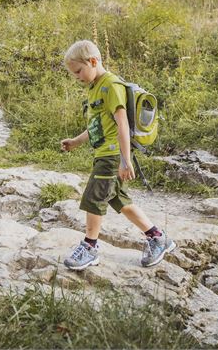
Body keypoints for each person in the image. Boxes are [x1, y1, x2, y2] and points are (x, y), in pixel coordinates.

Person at [60, 40, 176, 271]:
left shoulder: (111, 85)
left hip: (112, 156)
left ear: (93, 61)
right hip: (105, 153)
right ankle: (157, 237)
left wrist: (125, 160)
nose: (77, 78)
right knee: (118, 199)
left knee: (94, 198)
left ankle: (90, 247)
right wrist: (76, 142)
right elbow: (96, 125)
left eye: (79, 71)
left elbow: (122, 124)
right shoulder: (95, 87)